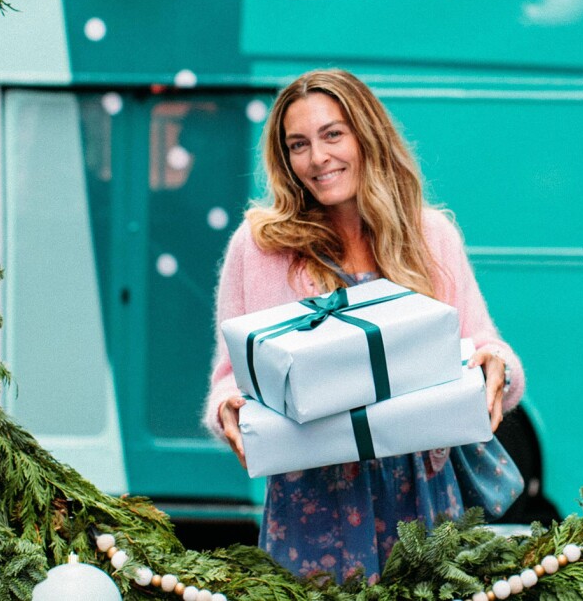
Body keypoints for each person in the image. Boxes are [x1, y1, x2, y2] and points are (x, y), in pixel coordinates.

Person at [203, 69, 525, 583]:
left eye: (333, 134)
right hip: (312, 495)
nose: (318, 158)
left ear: (366, 135)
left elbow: (482, 343)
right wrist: (228, 408)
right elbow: (231, 374)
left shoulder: (430, 235)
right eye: (298, 145)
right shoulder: (259, 246)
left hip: (421, 489)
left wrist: (496, 368)